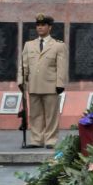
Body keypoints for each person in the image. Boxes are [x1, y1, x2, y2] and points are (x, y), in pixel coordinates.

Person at [16, 14, 68, 149]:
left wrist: (60, 84)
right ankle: (36, 139)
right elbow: (24, 65)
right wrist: (21, 80)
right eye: (38, 25)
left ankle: (51, 140)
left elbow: (61, 67)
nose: (40, 27)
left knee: (51, 115)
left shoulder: (58, 46)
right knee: (35, 114)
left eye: (43, 25)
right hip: (33, 85)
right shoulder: (29, 45)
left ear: (49, 27)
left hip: (50, 85)